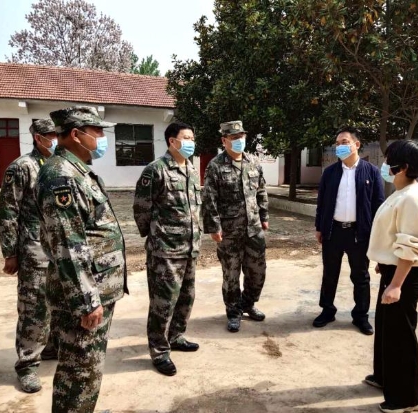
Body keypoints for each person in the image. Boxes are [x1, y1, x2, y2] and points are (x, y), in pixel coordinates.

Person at [36, 106, 128, 413]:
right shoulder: (60, 175)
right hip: (83, 296)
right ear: (76, 134)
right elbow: (67, 243)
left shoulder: (78, 170)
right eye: (97, 131)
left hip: (97, 286)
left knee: (88, 368)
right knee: (78, 372)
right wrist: (87, 301)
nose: (102, 138)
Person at [364, 140, 418, 413]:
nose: (384, 165)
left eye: (389, 161)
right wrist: (384, 262)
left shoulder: (412, 198)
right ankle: (385, 377)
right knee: (386, 330)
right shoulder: (401, 192)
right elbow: (393, 234)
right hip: (394, 270)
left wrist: (396, 284)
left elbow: (411, 244)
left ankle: (406, 399)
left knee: (400, 337)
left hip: (405, 277)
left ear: (403, 167)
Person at [133, 121, 201, 377]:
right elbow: (141, 208)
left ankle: (176, 336)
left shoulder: (191, 169)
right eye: (187, 137)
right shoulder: (156, 170)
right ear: (172, 141)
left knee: (186, 298)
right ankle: (159, 351)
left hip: (190, 248)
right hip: (165, 251)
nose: (191, 142)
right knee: (163, 303)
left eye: (192, 137)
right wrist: (155, 237)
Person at [0, 119, 58, 393]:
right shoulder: (22, 167)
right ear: (38, 138)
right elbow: (7, 212)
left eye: (57, 134)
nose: (55, 139)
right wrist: (10, 253)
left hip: (61, 249)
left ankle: (51, 347)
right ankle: (27, 365)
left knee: (59, 302)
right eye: (50, 135)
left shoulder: (61, 165)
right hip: (34, 249)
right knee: (34, 308)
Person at [314, 127, 385, 335]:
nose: (340, 147)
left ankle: (361, 316)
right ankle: (327, 311)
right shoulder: (330, 173)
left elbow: (378, 205)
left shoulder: (371, 172)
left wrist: (376, 234)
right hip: (333, 232)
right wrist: (319, 227)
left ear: (357, 145)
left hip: (359, 233)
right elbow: (321, 203)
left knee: (361, 276)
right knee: (329, 274)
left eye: (344, 142)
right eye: (337, 144)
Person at [202, 120, 269, 332]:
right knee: (231, 275)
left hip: (254, 229)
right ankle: (233, 312)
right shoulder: (215, 166)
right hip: (229, 232)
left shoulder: (253, 162)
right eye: (234, 138)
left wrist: (264, 215)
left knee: (257, 271)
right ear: (224, 140)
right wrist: (214, 227)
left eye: (241, 137)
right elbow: (209, 199)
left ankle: (248, 304)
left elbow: (261, 191)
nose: (239, 140)